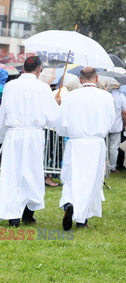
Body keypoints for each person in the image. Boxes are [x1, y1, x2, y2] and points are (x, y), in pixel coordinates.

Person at [0, 56, 59, 227]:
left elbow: (3, 112)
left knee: (12, 173)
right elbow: (53, 118)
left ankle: (13, 215)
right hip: (33, 136)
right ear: (39, 70)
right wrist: (57, 104)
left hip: (14, 134)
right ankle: (27, 213)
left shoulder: (10, 86)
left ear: (24, 68)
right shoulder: (43, 88)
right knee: (32, 173)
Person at [56, 67, 115, 230]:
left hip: (76, 142)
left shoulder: (72, 96)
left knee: (71, 177)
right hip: (95, 143)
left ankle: (69, 203)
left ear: (81, 80)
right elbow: (110, 122)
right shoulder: (107, 97)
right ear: (96, 78)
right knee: (91, 180)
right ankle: (82, 219)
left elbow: (61, 124)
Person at [108, 88, 126, 173]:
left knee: (104, 146)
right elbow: (124, 112)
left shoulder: (106, 95)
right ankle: (112, 166)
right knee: (114, 147)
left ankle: (103, 165)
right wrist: (125, 123)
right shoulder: (121, 97)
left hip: (106, 125)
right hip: (117, 125)